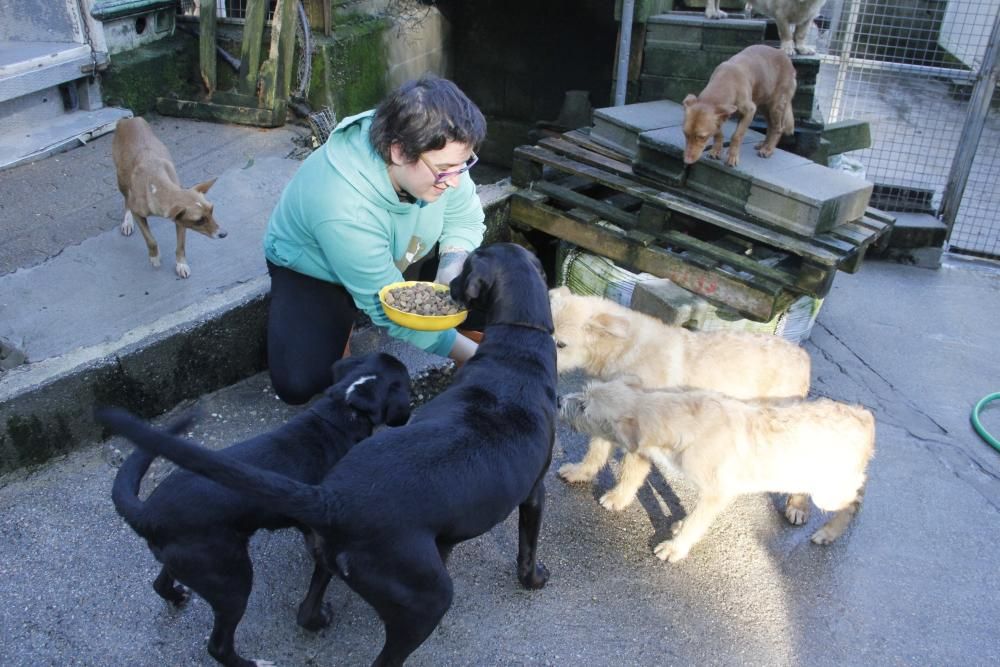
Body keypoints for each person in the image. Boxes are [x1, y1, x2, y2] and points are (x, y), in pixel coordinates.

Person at [263, 76, 487, 404]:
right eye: (445, 170)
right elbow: (391, 312)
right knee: (299, 382)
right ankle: (335, 319)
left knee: (496, 279)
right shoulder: (341, 205)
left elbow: (464, 217)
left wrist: (451, 266)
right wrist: (476, 357)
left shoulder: (437, 150)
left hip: (403, 249)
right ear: (398, 152)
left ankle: (475, 329)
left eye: (462, 165)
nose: (454, 181)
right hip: (316, 269)